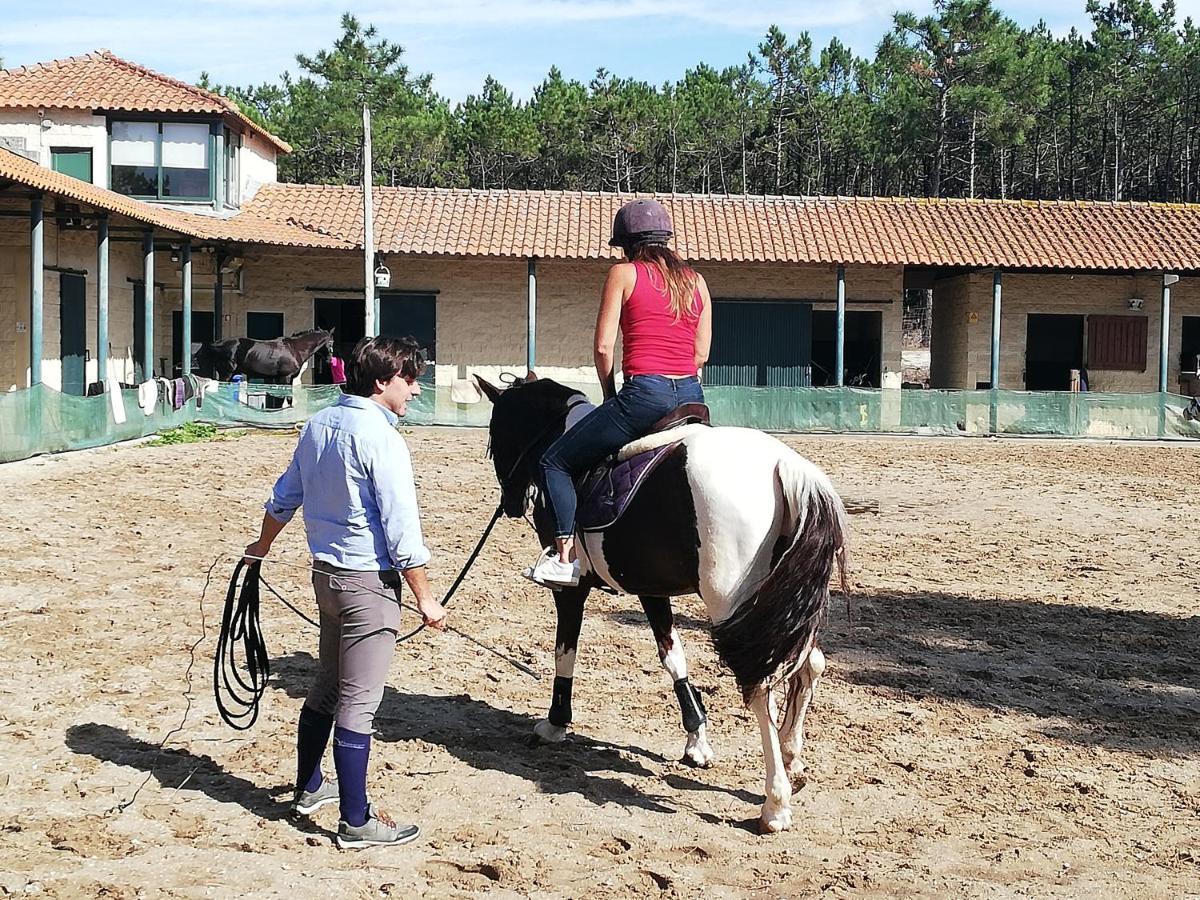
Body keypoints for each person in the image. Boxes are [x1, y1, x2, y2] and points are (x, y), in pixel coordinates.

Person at [243, 335, 448, 849]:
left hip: (325, 578)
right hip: (368, 584)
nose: (415, 389)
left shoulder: (319, 423)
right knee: (358, 703)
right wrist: (425, 597)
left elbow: (286, 493)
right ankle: (356, 821)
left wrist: (261, 547)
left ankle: (309, 786)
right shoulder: (382, 438)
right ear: (383, 381)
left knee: (328, 685)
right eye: (409, 379)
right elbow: (401, 526)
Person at [527, 199, 713, 587]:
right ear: (666, 238)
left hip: (646, 394)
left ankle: (564, 559)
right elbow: (701, 353)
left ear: (626, 244)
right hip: (693, 396)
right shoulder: (696, 281)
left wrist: (611, 393)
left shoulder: (623, 274)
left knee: (554, 462)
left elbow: (602, 347)